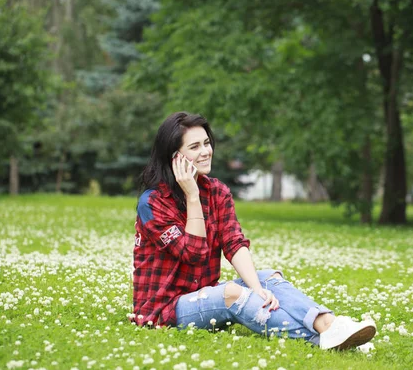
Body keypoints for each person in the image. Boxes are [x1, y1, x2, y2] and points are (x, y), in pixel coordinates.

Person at [132, 111, 376, 350]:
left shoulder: (217, 192)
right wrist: (192, 196)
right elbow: (194, 253)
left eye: (206, 143)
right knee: (231, 293)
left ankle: (329, 326)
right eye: (194, 147)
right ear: (175, 157)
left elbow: (234, 243)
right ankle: (322, 340)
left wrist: (258, 289)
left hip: (203, 294)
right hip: (164, 310)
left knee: (267, 278)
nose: (206, 151)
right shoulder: (153, 203)